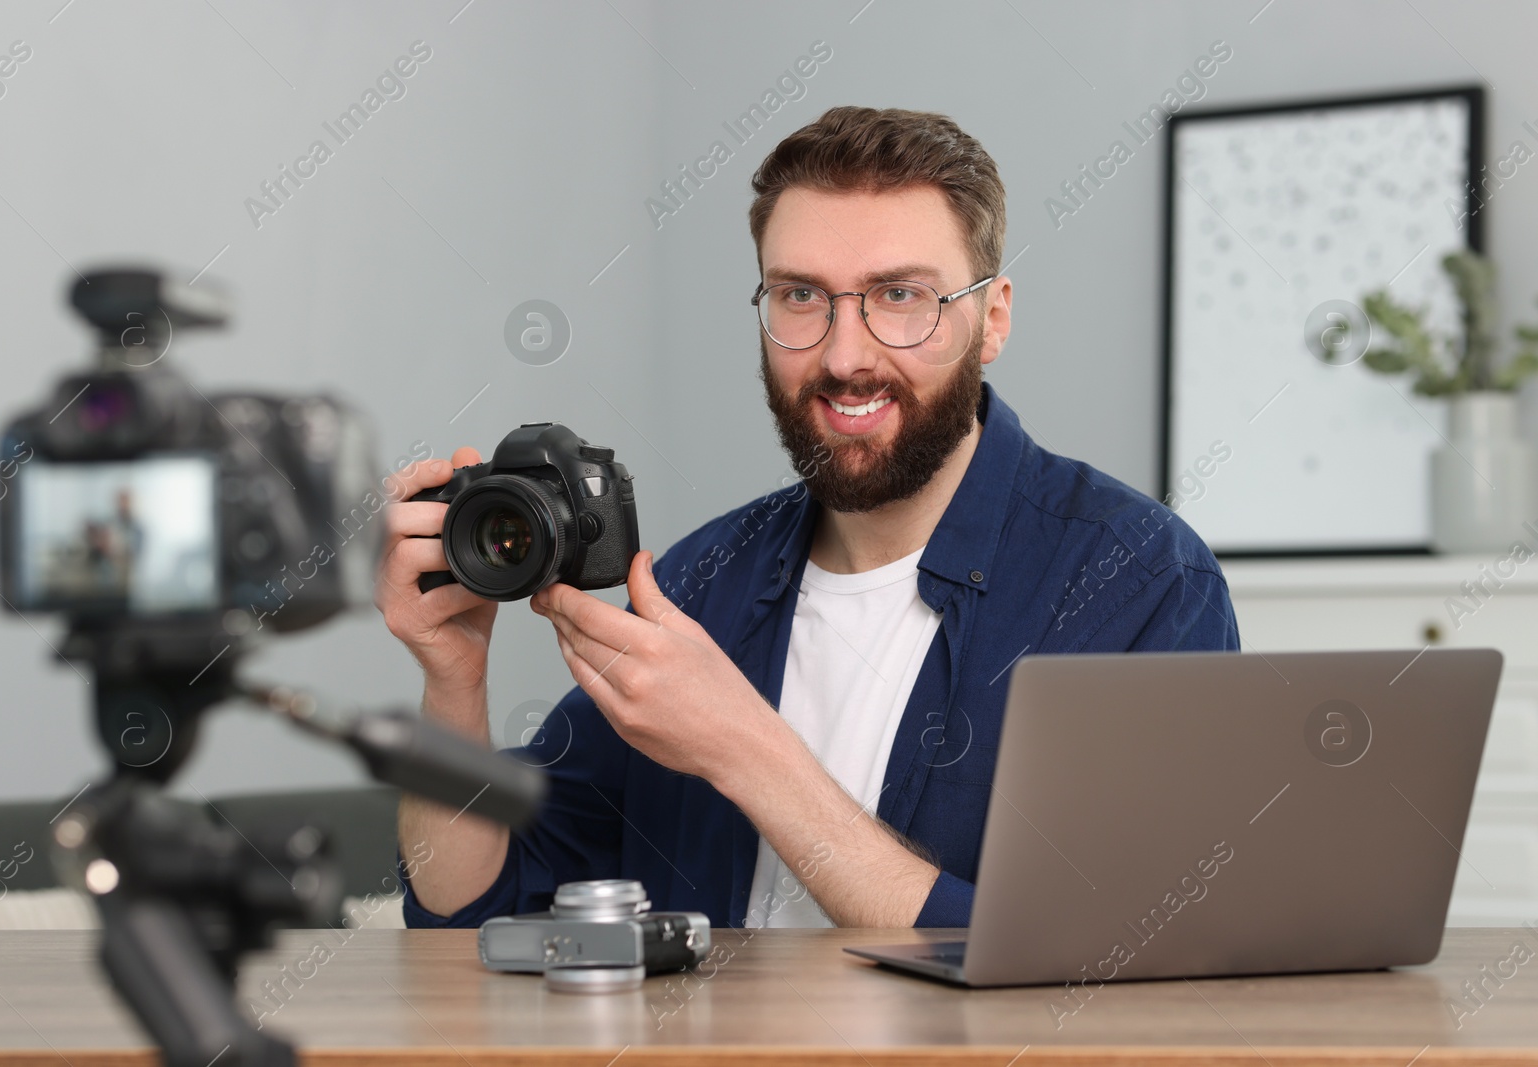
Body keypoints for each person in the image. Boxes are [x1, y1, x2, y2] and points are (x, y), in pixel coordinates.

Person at [379, 106, 1239, 931]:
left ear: (992, 318)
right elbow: (468, 907)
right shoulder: (700, 581)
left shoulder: (1141, 583)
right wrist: (451, 681)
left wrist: (746, 748)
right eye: (800, 295)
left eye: (900, 295)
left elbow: (1120, 959)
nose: (844, 355)